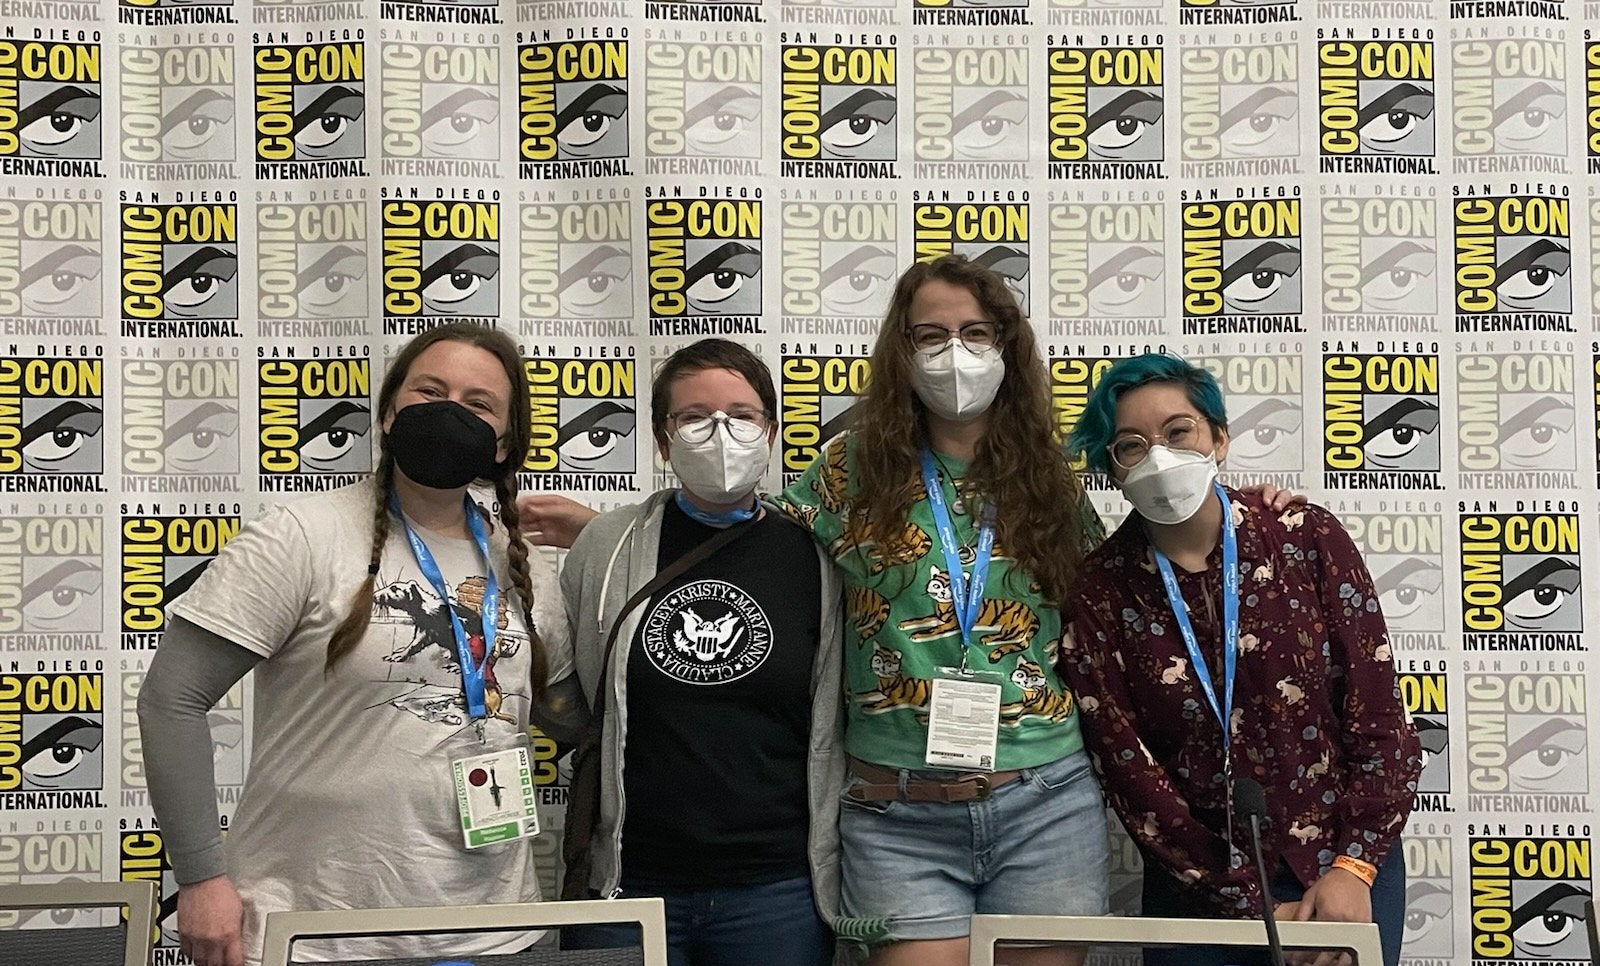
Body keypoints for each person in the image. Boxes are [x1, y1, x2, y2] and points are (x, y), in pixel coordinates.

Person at [519, 257, 1304, 966]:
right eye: (929, 335)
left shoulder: (1049, 475)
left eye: (973, 333)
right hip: (896, 808)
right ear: (901, 351)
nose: (952, 354)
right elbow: (750, 549)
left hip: (1042, 798)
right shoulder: (851, 468)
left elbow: (1119, 581)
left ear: (1007, 347)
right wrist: (612, 543)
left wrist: (1250, 512)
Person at [138, 322, 565, 966]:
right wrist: (199, 878)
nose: (451, 410)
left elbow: (575, 715)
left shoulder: (526, 563)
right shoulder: (300, 534)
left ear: (505, 443)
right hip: (313, 931)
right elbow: (172, 699)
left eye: (480, 403)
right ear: (390, 413)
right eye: (430, 390)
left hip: (494, 930)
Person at [1061, 353, 1421, 966]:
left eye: (1179, 432)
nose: (1159, 457)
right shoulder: (1099, 592)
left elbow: (1378, 714)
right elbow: (1130, 775)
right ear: (1112, 470)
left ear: (1219, 438)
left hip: (1341, 873)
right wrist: (1248, 904)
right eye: (1130, 446)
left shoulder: (1305, 538)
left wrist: (1353, 867)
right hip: (1198, 896)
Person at [538, 339, 845, 966]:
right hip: (630, 882)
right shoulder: (605, 544)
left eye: (742, 414)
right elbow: (570, 694)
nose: (721, 432)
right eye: (695, 416)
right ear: (661, 438)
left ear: (772, 432)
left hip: (776, 888)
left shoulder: (817, 556)